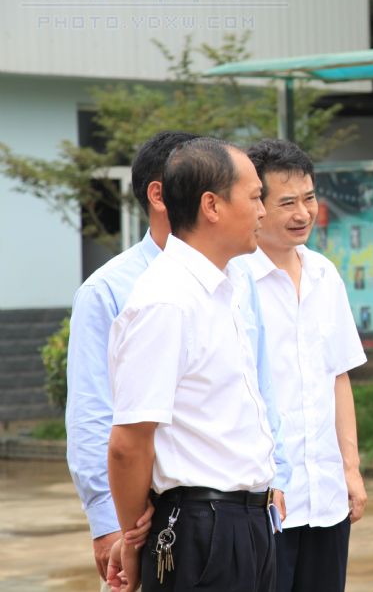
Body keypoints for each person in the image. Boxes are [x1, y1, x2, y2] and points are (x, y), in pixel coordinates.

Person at [67, 132, 289, 591]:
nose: (263, 212)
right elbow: (128, 443)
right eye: (254, 197)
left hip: (247, 519)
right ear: (211, 206)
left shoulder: (227, 286)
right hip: (201, 528)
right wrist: (130, 539)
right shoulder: (166, 300)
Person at [245, 139, 368, 592]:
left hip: (326, 497)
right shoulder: (236, 281)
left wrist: (350, 469)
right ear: (258, 204)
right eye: (288, 203)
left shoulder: (324, 275)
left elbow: (338, 376)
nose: (303, 213)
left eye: (310, 198)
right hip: (264, 502)